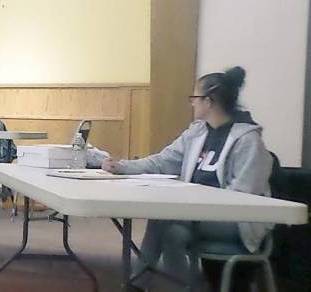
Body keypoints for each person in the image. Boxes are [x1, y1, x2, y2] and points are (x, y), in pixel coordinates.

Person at [102, 66, 273, 290]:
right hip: (200, 214)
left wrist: (199, 207)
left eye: (195, 98)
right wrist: (122, 167)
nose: (192, 103)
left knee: (165, 221)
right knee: (168, 228)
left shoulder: (248, 141)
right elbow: (162, 161)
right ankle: (172, 287)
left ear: (209, 101)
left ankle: (140, 285)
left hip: (237, 223)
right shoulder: (197, 132)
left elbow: (242, 200)